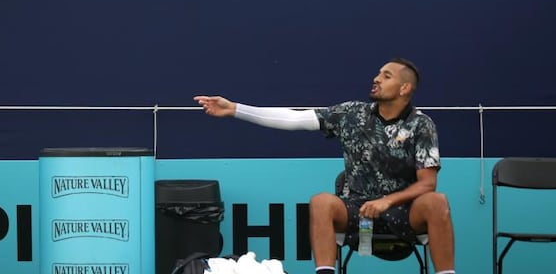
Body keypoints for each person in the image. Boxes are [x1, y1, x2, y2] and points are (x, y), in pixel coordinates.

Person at [194, 59, 456, 274]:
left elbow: (427, 183)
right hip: (357, 210)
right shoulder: (352, 114)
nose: (376, 78)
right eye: (378, 73)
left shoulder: (422, 124)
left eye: (386, 76)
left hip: (404, 211)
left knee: (437, 202)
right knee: (321, 202)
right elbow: (295, 119)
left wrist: (386, 201)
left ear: (404, 88)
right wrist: (235, 109)